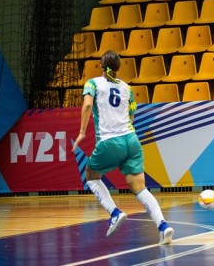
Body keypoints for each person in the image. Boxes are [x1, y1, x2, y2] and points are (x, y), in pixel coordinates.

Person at [72, 50, 174, 244]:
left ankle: (115, 212)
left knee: (91, 176)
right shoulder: (127, 88)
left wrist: (82, 132)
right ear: (118, 67)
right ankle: (163, 226)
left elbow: (86, 106)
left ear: (101, 65)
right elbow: (132, 116)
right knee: (140, 188)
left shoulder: (92, 83)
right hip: (131, 140)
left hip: (110, 141)